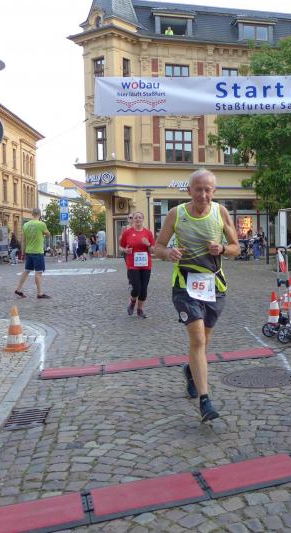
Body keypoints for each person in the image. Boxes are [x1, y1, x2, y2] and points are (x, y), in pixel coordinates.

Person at [155, 169, 239, 422]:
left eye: (207, 190)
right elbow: (157, 246)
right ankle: (205, 401)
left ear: (214, 191)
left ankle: (191, 371)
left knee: (204, 341)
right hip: (185, 284)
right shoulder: (176, 213)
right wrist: (167, 253)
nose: (203, 195)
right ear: (189, 190)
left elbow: (236, 248)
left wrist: (222, 248)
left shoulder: (221, 212)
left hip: (214, 285)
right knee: (198, 338)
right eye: (198, 189)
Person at [120, 212, 155, 318]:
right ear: (132, 220)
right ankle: (132, 302)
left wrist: (148, 244)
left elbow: (153, 250)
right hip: (132, 264)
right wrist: (125, 250)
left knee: (144, 290)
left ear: (143, 219)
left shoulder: (148, 233)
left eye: (140, 217)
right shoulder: (127, 232)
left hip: (146, 265)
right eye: (136, 217)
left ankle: (140, 310)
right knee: (136, 288)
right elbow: (121, 247)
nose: (138, 219)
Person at [15, 208, 51, 299]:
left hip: (28, 252)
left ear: (32, 214)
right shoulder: (41, 224)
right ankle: (40, 293)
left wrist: (22, 253)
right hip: (38, 252)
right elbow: (48, 234)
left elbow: (23, 241)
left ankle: (18, 289)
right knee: (38, 273)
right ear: (40, 214)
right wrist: (43, 234)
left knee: (26, 270)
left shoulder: (25, 225)